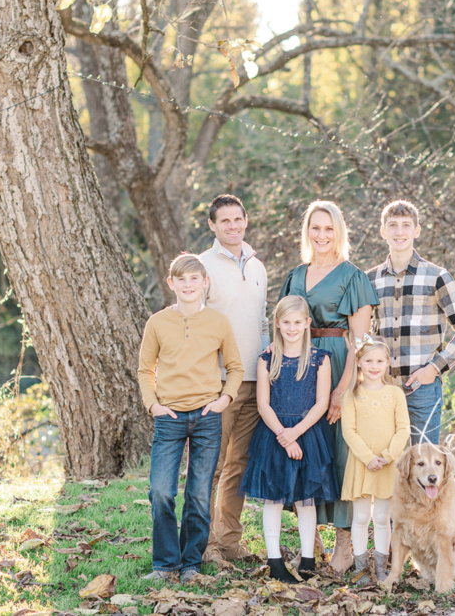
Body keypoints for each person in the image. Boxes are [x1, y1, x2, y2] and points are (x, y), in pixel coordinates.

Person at [279, 200, 379, 573]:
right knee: (302, 447)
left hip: (338, 363)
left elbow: (362, 340)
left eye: (329, 229)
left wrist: (342, 389)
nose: (322, 236)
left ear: (339, 232)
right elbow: (283, 324)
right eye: (315, 228)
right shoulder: (295, 275)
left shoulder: (353, 276)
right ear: (307, 232)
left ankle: (343, 539)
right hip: (301, 365)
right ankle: (310, 535)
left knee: (339, 453)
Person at [137, 254, 245, 584]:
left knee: (198, 494)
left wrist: (224, 400)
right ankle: (165, 563)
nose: (188, 285)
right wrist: (153, 405)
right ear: (171, 283)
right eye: (181, 279)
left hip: (207, 416)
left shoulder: (218, 322)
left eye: (194, 279)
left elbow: (236, 367)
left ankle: (190, 564)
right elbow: (145, 370)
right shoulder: (157, 322)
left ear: (204, 282)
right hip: (169, 417)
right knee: (161, 492)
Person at [239, 296, 339, 583]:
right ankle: (275, 562)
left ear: (308, 323)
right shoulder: (267, 359)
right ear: (278, 324)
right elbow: (263, 405)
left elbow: (321, 403)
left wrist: (296, 433)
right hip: (273, 434)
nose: (292, 328)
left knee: (306, 499)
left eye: (298, 322)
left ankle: (308, 559)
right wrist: (284, 436)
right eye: (286, 323)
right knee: (273, 498)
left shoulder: (321, 359)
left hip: (308, 434)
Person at [365, 200, 455, 445]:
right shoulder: (370, 279)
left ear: (417, 230)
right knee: (386, 466)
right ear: (383, 231)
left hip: (422, 389)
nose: (399, 232)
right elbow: (365, 333)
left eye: (406, 225)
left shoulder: (436, 276)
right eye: (392, 225)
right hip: (381, 387)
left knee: (423, 463)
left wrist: (434, 368)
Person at [200, 195, 270, 563]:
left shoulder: (257, 266)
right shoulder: (202, 266)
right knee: (209, 466)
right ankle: (204, 544)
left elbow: (261, 322)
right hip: (218, 383)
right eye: (224, 221)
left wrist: (269, 364)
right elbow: (192, 326)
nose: (232, 226)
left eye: (237, 219)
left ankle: (228, 542)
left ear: (246, 220)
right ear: (212, 225)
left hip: (254, 381)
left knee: (238, 465)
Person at [340, 335, 411, 585]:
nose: (374, 366)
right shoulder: (351, 395)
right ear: (359, 362)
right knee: (360, 519)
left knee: (382, 518)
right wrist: (369, 458)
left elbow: (403, 429)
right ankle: (361, 569)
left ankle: (381, 569)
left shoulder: (394, 394)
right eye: (368, 360)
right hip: (362, 464)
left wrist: (387, 456)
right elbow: (349, 431)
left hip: (387, 466)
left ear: (387, 363)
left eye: (380, 361)